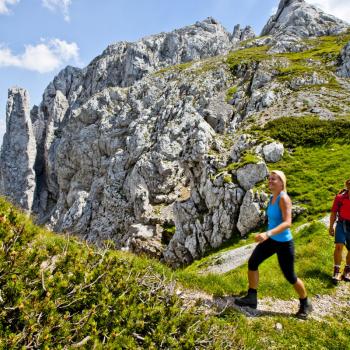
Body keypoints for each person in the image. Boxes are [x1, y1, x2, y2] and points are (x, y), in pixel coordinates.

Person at [234, 170, 312, 319]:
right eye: (269, 179)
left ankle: (305, 303)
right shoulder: (272, 198)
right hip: (271, 240)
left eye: (274, 179)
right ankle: (252, 297)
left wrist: (267, 234)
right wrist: (266, 234)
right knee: (253, 263)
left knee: (290, 276)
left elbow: (287, 223)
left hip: (283, 243)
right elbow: (273, 221)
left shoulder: (284, 198)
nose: (270, 181)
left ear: (282, 182)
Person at [329, 179, 350, 283]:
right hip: (342, 224)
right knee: (339, 246)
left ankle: (347, 270)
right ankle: (336, 271)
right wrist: (331, 226)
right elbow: (333, 212)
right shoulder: (340, 198)